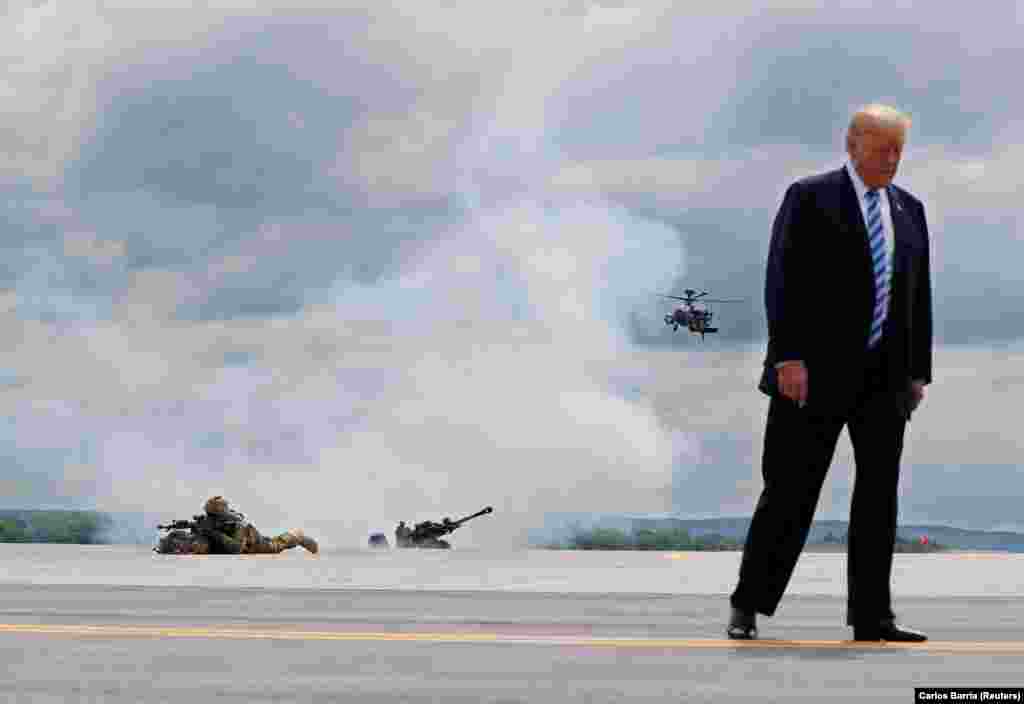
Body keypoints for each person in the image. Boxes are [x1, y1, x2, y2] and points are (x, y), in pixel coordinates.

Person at [727, 104, 933, 642]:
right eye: (882, 147)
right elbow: (782, 280)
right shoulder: (809, 197)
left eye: (898, 150)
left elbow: (918, 297)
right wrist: (787, 358)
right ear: (852, 144)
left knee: (877, 497)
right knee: (790, 492)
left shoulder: (910, 210)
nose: (891, 159)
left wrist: (917, 373)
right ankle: (748, 604)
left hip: (885, 381)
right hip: (812, 376)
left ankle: (873, 616)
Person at [201, 496, 319, 555]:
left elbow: (235, 548)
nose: (210, 519)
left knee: (277, 544)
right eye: (209, 515)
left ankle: (298, 536)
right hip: (247, 544)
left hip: (259, 545)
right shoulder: (215, 524)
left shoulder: (238, 525)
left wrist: (213, 533)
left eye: (213, 516)